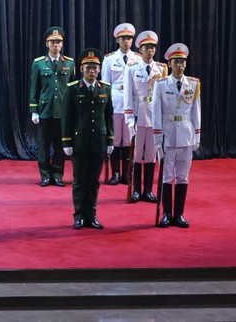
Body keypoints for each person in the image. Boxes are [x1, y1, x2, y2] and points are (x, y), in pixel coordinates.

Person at [62, 48, 114, 230]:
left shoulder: (105, 89)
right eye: (88, 68)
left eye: (94, 68)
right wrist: (66, 141)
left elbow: (109, 116)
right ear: (81, 69)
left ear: (99, 70)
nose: (91, 71)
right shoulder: (73, 89)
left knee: (93, 181)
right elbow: (67, 117)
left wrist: (110, 140)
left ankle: (91, 215)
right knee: (79, 181)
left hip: (98, 142)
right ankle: (78, 216)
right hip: (79, 142)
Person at [152, 43, 201, 228]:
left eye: (182, 62)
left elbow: (196, 112)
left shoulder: (193, 84)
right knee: (166, 175)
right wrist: (157, 138)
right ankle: (166, 213)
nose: (179, 65)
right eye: (176, 62)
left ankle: (179, 214)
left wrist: (196, 135)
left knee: (182, 176)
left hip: (186, 135)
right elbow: (156, 112)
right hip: (167, 135)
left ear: (185, 64)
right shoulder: (161, 84)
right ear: (169, 64)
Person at [123, 30, 167, 203]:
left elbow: (164, 96)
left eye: (152, 48)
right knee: (135, 155)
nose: (149, 51)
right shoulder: (132, 69)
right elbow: (128, 95)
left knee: (151, 155)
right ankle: (136, 190)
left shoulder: (162, 69)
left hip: (155, 116)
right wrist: (128, 119)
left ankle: (148, 190)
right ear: (140, 50)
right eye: (146, 47)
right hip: (138, 116)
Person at [29, 26, 75, 187]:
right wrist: (34, 110)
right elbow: (34, 88)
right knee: (44, 144)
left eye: (59, 42)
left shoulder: (69, 63)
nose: (56, 45)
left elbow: (73, 89)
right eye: (53, 42)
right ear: (47, 44)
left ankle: (57, 174)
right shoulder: (39, 64)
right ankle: (45, 175)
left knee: (60, 145)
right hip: (45, 110)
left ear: (62, 45)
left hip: (62, 111)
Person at [101, 23, 141, 185]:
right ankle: (116, 173)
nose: (126, 41)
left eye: (129, 38)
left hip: (132, 102)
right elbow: (104, 83)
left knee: (128, 139)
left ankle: (126, 173)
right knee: (116, 139)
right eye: (123, 38)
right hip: (116, 101)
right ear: (117, 40)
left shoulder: (137, 59)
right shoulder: (110, 59)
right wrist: (106, 105)